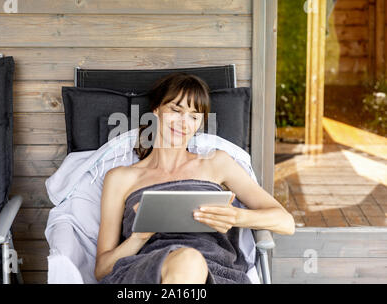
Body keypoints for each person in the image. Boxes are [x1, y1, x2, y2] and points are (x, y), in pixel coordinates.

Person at [95, 72, 295, 284]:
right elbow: (101, 270)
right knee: (188, 260)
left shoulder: (217, 163)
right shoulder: (120, 178)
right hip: (143, 275)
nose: (183, 122)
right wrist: (138, 238)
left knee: (190, 261)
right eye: (175, 110)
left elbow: (286, 222)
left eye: (193, 116)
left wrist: (236, 217)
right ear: (156, 111)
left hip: (216, 274)